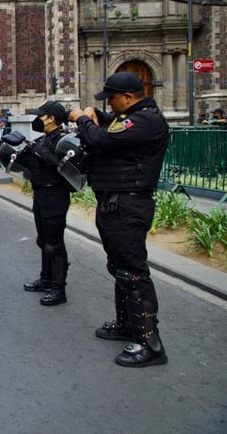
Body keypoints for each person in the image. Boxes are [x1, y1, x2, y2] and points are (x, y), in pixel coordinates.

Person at [69, 71, 169, 367]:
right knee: (120, 267)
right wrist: (92, 114)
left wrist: (82, 118)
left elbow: (102, 139)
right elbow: (110, 128)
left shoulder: (146, 121)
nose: (109, 105)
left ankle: (149, 343)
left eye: (111, 99)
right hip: (116, 204)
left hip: (129, 205)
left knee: (133, 271)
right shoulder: (131, 118)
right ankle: (127, 325)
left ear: (128, 97)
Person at [15, 100, 71, 306]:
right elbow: (23, 164)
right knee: (43, 240)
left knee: (54, 244)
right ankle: (46, 278)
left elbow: (65, 167)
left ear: (51, 118)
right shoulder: (43, 139)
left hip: (55, 194)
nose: (37, 119)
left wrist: (42, 152)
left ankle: (58, 289)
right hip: (40, 194)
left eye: (41, 115)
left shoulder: (65, 140)